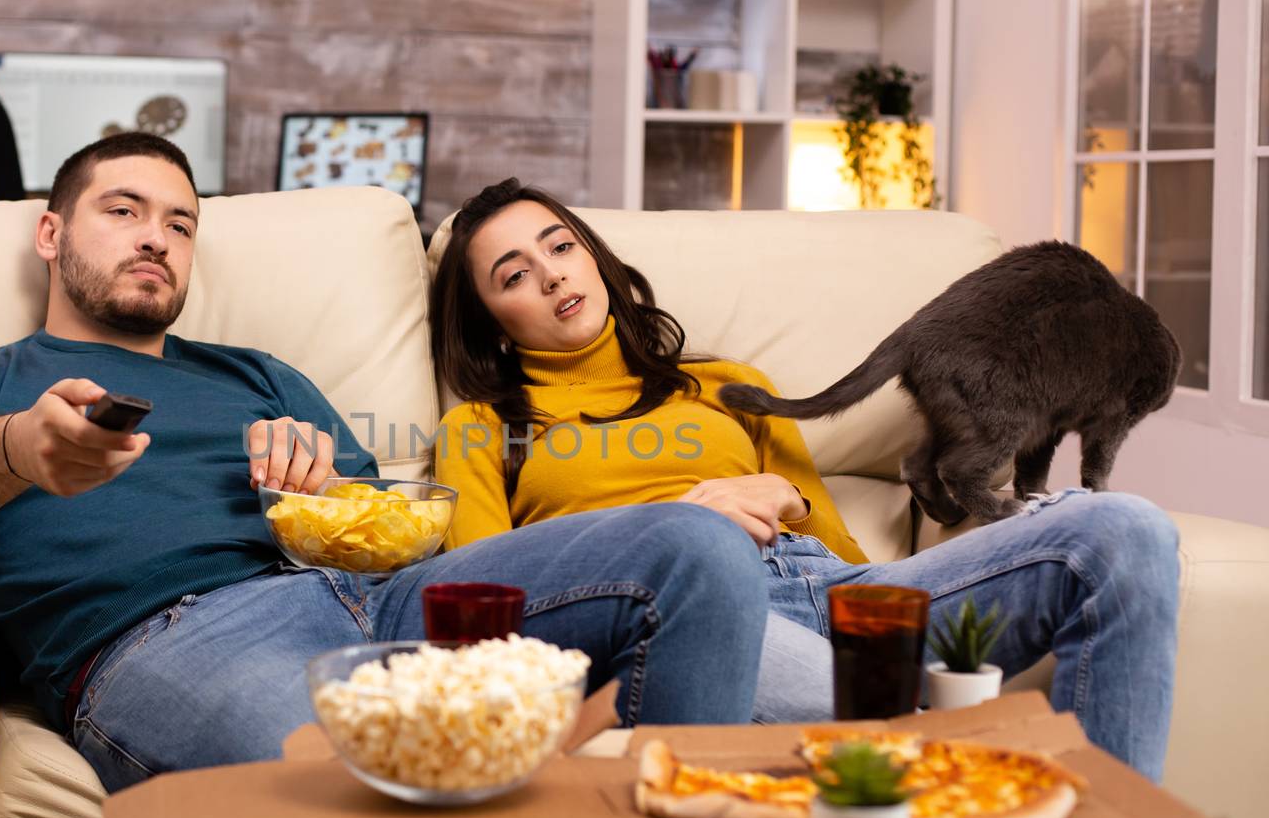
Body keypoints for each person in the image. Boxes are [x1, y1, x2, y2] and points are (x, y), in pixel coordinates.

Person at [0, 134, 778, 818]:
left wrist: (330, 492)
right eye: (124, 211)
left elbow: (397, 526)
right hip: (164, 640)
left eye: (180, 225)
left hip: (373, 601)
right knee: (377, 816)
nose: (155, 238)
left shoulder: (257, 373)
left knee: (694, 545)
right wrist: (21, 446)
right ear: (51, 234)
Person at [429, 177, 1180, 783]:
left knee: (1125, 531)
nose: (552, 270)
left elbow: (846, 555)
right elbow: (490, 616)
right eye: (516, 274)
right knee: (881, 719)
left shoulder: (728, 385)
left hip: (834, 591)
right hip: (689, 618)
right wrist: (666, 536)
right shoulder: (484, 431)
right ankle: (966, 756)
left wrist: (789, 496)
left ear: (594, 257)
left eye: (560, 245)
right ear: (495, 320)